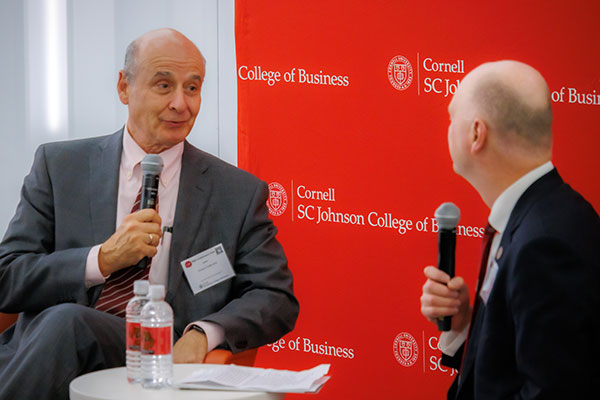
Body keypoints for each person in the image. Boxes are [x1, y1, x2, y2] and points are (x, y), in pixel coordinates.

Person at [0, 28, 298, 400]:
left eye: (192, 88)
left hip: (158, 359)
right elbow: (8, 276)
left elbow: (275, 296)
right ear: (124, 87)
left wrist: (203, 332)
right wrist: (102, 260)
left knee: (68, 322)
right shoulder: (60, 167)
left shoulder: (236, 192)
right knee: (67, 322)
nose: (180, 104)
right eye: (163, 85)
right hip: (47, 356)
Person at [420, 60, 600, 399]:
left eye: (450, 117)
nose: (446, 129)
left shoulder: (544, 244)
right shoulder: (546, 214)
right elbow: (513, 371)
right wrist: (465, 325)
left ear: (476, 133)